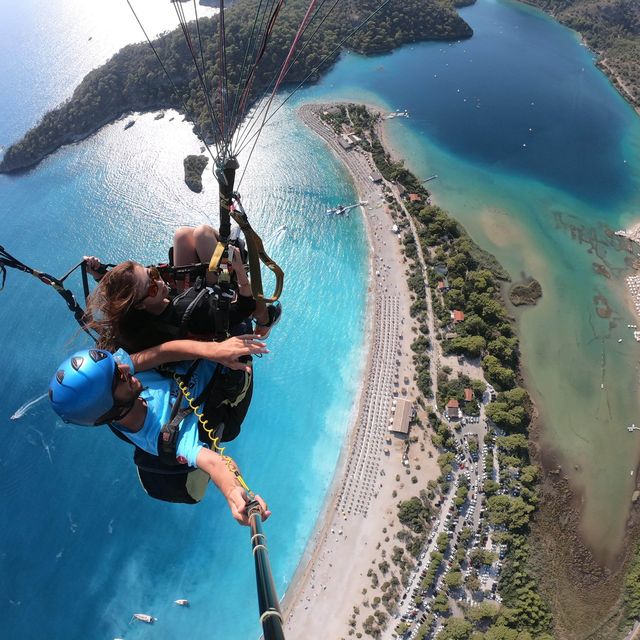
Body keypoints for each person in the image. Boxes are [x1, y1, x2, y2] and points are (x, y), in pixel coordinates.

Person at [49, 342, 270, 526]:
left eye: (116, 367)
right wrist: (236, 495)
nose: (124, 369)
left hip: (209, 355)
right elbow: (215, 464)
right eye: (118, 377)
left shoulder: (120, 378)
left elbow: (162, 352)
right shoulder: (165, 439)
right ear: (107, 405)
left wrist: (212, 349)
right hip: (222, 380)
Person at [83, 225, 281, 353]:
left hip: (186, 294)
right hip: (210, 300)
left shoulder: (141, 309)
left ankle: (217, 250)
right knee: (204, 234)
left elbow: (128, 291)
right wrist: (239, 272)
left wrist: (100, 274)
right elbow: (243, 309)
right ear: (140, 305)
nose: (158, 282)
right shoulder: (193, 313)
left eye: (151, 273)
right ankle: (264, 319)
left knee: (182, 235)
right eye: (151, 287)